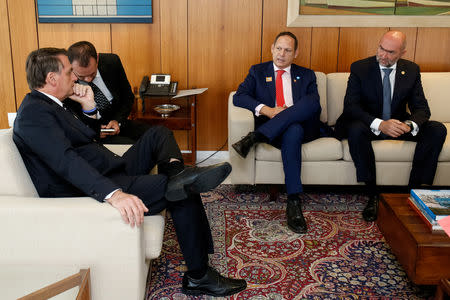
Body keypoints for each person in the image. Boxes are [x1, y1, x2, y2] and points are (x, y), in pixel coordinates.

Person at [13, 47, 247, 297]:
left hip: (106, 167)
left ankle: (177, 171)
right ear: (52, 79)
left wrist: (89, 106)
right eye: (70, 72)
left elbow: (88, 137)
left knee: (157, 134)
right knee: (181, 189)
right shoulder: (34, 114)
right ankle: (199, 277)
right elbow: (66, 161)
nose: (75, 77)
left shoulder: (52, 104)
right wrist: (113, 194)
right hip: (93, 185)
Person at [334, 30, 447, 222]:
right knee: (355, 129)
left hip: (397, 125)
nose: (383, 55)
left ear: (402, 52)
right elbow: (351, 107)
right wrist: (381, 124)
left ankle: (413, 191)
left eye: (390, 52)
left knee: (437, 129)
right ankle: (372, 194)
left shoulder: (411, 70)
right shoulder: (360, 68)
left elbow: (422, 109)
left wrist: (408, 125)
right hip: (369, 124)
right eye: (381, 48)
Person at [232, 32, 322, 234]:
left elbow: (313, 106)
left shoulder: (307, 74)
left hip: (299, 128)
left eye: (288, 50)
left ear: (296, 53)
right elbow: (239, 97)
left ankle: (256, 137)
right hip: (277, 130)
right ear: (272, 48)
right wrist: (269, 110)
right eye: (279, 48)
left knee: (307, 108)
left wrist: (287, 113)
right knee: (292, 129)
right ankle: (293, 201)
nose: (282, 54)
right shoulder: (257, 71)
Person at [68, 41, 149, 144]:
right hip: (89, 131)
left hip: (117, 120)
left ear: (97, 59)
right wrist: (93, 130)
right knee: (132, 146)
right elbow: (69, 116)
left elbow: (127, 97)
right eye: (81, 76)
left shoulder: (111, 62)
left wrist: (117, 121)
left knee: (158, 134)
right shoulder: (66, 78)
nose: (88, 79)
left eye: (92, 73)